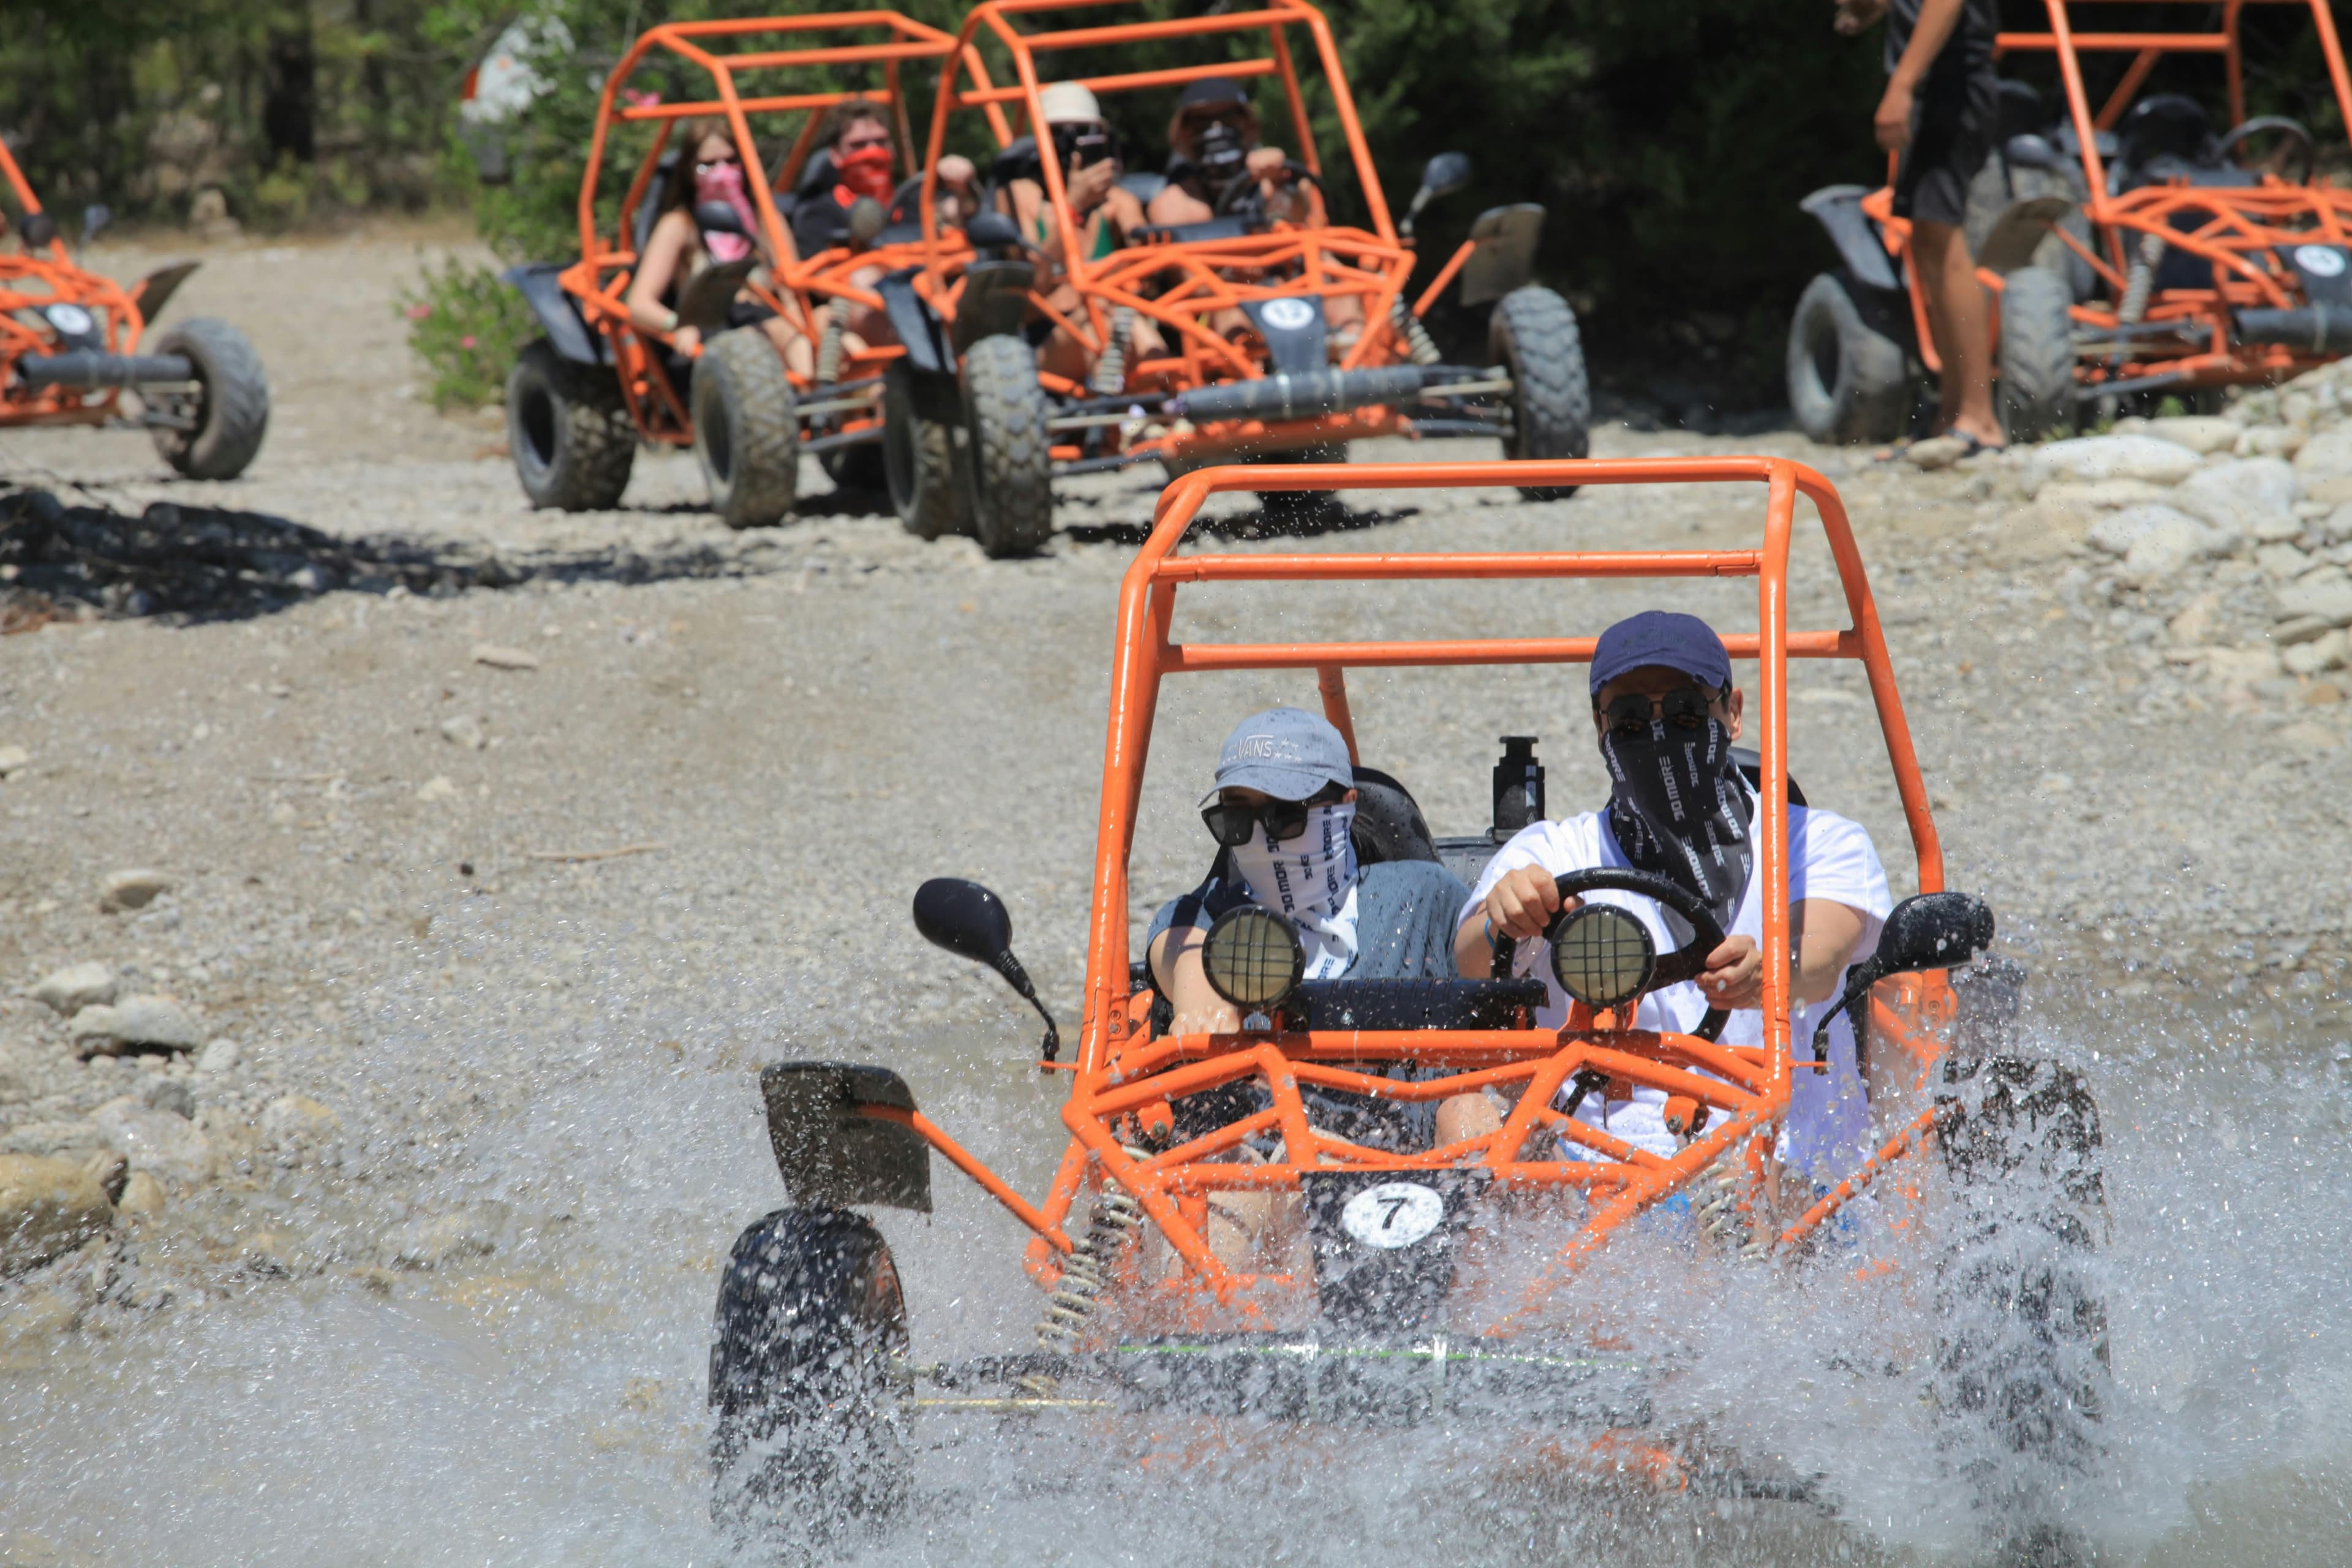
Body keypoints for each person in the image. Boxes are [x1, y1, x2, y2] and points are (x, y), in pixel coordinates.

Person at [1453, 612, 1893, 1189]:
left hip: (1781, 1161)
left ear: (1732, 713)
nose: (1660, 734)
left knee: (1744, 1182)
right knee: (1462, 1114)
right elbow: (1468, 961)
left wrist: (1767, 972)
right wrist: (1506, 919)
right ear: (1600, 726)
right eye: (1632, 719)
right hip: (1597, 1174)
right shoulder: (1555, 851)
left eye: (1686, 711)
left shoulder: (1818, 841)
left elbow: (1822, 958)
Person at [1145, 707, 1479, 1271]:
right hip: (1262, 1150)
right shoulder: (1206, 917)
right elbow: (1182, 954)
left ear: (1343, 809)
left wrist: (1515, 912)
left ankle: (1518, 1316)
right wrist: (1201, 994)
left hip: (1409, 1144)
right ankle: (1196, 1334)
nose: (1259, 839)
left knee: (1473, 1115)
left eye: (1283, 816)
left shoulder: (1419, 893)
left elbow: (1486, 953)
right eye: (1236, 821)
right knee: (1245, 1181)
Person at [1839, 0, 2005, 453]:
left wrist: (1901, 85)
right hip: (1938, 94)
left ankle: (1980, 418)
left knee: (1944, 240)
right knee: (1929, 241)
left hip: (1953, 92)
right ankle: (1951, 418)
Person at [786, 98, 979, 360]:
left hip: (936, 295)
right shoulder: (820, 211)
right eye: (859, 145)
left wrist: (963, 188)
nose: (872, 151)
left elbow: (963, 217)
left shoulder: (917, 198)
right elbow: (819, 282)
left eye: (880, 142)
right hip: (869, 307)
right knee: (845, 306)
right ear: (835, 155)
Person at [1001, 81, 1165, 385]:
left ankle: (1160, 408)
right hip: (1047, 341)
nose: (1070, 145)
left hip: (1117, 327)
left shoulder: (1118, 202)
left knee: (1121, 327)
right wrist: (1073, 206)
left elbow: (1149, 279)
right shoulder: (1021, 197)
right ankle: (1160, 408)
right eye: (1060, 136)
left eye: (1081, 134)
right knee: (1106, 326)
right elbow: (1035, 283)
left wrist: (1137, 243)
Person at [625, 118, 813, 379]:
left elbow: (793, 293)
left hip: (766, 320)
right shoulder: (680, 225)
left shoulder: (765, 220)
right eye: (708, 165)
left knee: (821, 336)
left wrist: (805, 328)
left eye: (730, 160)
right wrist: (678, 325)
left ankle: (826, 405)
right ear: (689, 171)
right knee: (749, 345)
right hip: (710, 330)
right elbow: (638, 303)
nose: (722, 171)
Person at [1145, 77, 1324, 231]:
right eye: (1202, 122)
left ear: (1247, 124)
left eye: (1227, 117)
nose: (1216, 129)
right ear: (1185, 133)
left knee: (1292, 191)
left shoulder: (1268, 181)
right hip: (1205, 268)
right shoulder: (1178, 196)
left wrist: (1281, 179)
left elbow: (1306, 218)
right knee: (1170, 205)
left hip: (1279, 265)